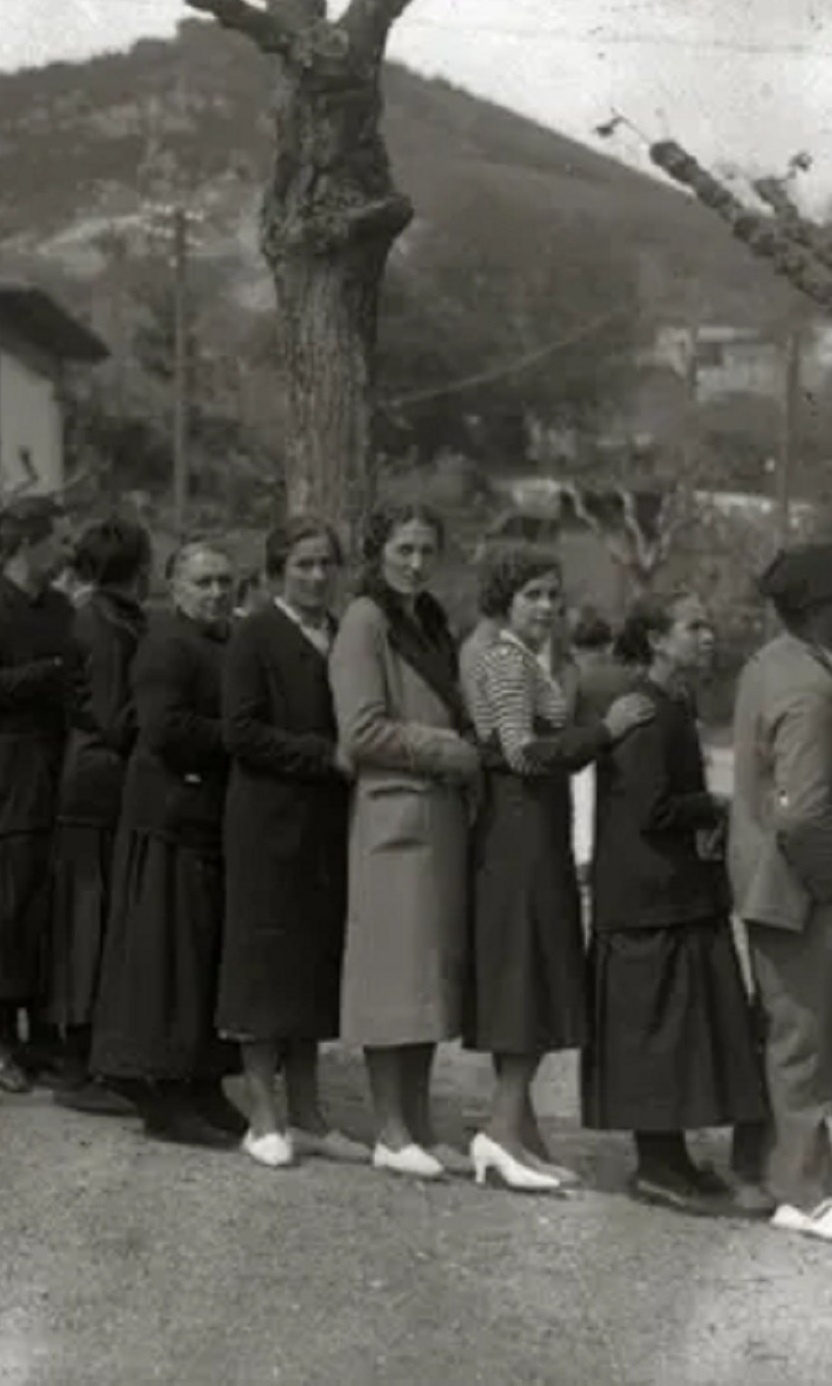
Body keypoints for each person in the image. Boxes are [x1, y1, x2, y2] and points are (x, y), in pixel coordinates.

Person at [462, 546, 655, 1191]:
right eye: (532, 596)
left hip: (531, 831)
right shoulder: (508, 661)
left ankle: (514, 1132)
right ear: (506, 601)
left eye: (553, 595)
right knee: (524, 978)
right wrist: (606, 732)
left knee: (534, 977)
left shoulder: (529, 660)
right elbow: (520, 754)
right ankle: (497, 1131)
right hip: (518, 835)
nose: (546, 607)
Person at [584, 591, 768, 1218]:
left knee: (678, 1030)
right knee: (656, 1033)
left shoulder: (674, 705)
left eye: (709, 625)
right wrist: (713, 807)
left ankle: (676, 1159)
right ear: (657, 640)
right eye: (694, 626)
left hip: (674, 893)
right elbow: (649, 808)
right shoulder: (642, 712)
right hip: (646, 901)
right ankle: (657, 1164)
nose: (708, 636)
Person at [728, 541, 832, 1248]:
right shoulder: (810, 690)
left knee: (786, 1035)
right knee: (804, 1044)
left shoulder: (776, 665)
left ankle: (769, 1176)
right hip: (803, 896)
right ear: (822, 608)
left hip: (770, 887)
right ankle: (804, 1193)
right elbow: (800, 817)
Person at [330, 504, 482, 1178]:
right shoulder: (366, 621)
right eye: (402, 549)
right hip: (394, 816)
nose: (415, 562)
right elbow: (360, 732)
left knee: (424, 984)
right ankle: (390, 1131)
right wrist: (448, 750)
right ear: (377, 551)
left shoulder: (426, 620)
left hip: (435, 821)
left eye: (426, 549)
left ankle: (416, 1124)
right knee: (391, 981)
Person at [216, 518, 363, 1168]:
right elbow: (241, 731)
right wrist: (320, 754)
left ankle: (307, 1111)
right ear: (280, 568)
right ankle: (264, 1113)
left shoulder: (338, 634)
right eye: (302, 564)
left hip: (325, 827)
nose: (315, 576)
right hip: (266, 824)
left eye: (325, 564)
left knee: (309, 966)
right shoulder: (254, 633)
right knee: (261, 965)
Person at [91, 541, 246, 1148]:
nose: (216, 593)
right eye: (203, 582)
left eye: (225, 582)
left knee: (202, 959)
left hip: (206, 820)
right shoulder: (166, 644)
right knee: (167, 961)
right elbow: (163, 729)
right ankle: (164, 1093)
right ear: (175, 588)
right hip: (167, 819)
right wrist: (239, 736)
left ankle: (205, 1080)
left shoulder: (226, 642)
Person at [0, 497, 78, 1093]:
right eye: (59, 540)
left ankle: (39, 1037)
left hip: (49, 780)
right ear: (29, 544)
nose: (67, 551)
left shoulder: (58, 608)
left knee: (38, 914)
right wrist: (53, 672)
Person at [51, 516, 152, 1113]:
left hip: (96, 779)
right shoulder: (104, 623)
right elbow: (116, 716)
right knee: (91, 923)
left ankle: (92, 1054)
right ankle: (81, 1062)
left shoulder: (104, 615)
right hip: (98, 785)